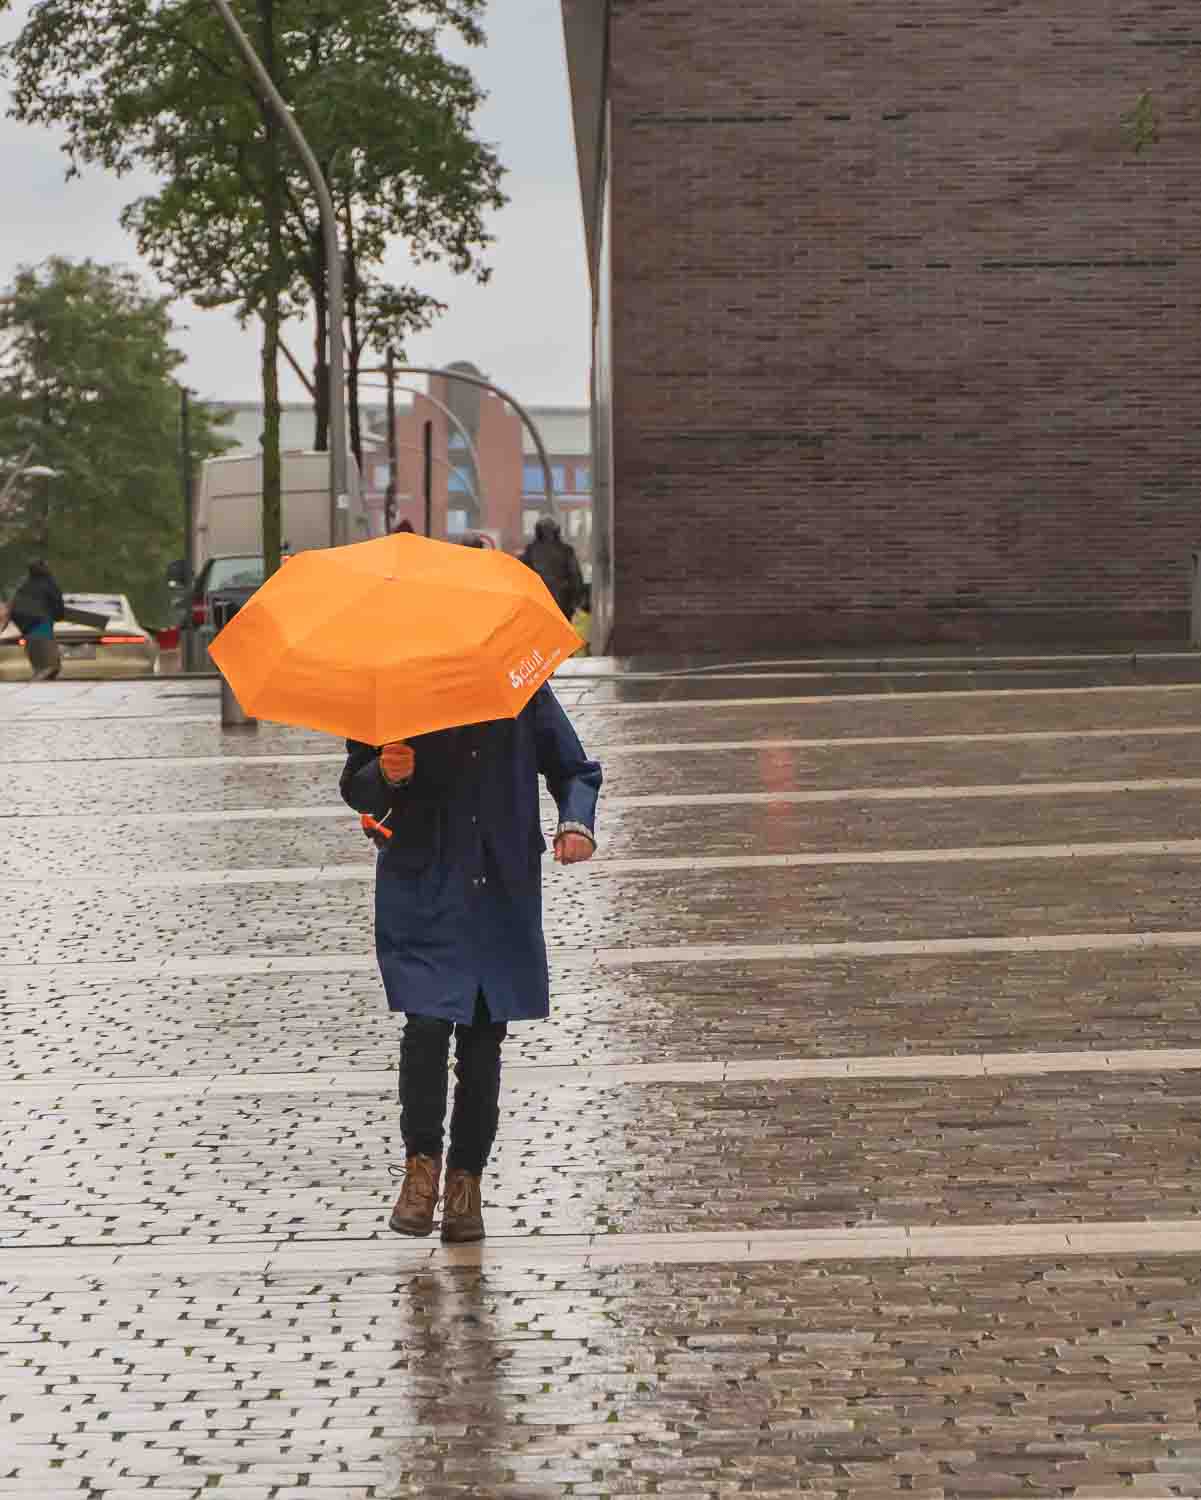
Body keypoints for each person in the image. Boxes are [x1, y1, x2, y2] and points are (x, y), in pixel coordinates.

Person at [339, 686, 602, 1244]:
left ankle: (466, 1183)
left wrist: (576, 822)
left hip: (497, 887)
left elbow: (575, 769)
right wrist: (390, 774)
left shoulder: (518, 686)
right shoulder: (390, 686)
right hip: (424, 886)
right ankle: (420, 1169)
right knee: (428, 1025)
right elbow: (357, 788)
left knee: (484, 1039)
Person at [8, 559, 65, 681]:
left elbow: (14, 604)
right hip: (40, 622)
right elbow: (57, 604)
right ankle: (40, 677)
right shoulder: (49, 583)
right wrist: (58, 616)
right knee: (50, 665)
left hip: (24, 623)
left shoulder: (24, 584)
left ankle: (40, 672)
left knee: (39, 659)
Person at [520, 517, 584, 621]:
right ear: (557, 531)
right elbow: (575, 577)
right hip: (562, 601)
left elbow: (522, 576)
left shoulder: (531, 550)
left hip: (539, 601)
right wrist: (577, 601)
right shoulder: (566, 550)